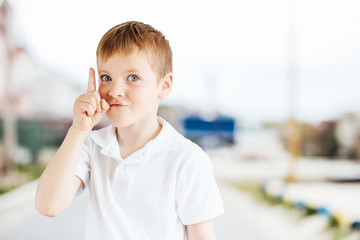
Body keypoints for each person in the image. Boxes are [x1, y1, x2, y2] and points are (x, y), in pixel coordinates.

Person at [35, 21, 224, 240]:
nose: (115, 91)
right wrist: (78, 129)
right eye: (106, 78)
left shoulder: (187, 159)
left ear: (164, 85)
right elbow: (48, 206)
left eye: (133, 78)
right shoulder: (91, 145)